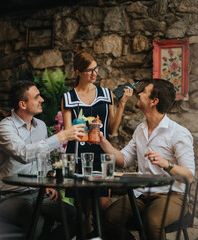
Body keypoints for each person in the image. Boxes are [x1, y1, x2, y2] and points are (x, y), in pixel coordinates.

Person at [99, 79, 195, 240]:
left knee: (152, 222)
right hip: (142, 194)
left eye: (144, 91)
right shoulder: (140, 130)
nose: (139, 93)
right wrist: (102, 141)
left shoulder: (178, 133)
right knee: (108, 218)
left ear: (154, 101)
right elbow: (123, 159)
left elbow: (189, 176)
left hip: (172, 195)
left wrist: (166, 164)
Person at [0, 80, 85, 240]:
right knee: (37, 223)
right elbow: (23, 154)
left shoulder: (40, 126)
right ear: (23, 104)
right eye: (36, 97)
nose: (41, 100)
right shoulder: (5, 128)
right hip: (10, 195)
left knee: (78, 218)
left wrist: (48, 182)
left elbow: (44, 160)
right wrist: (61, 136)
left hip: (38, 193)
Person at [61, 49, 133, 236]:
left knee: (102, 205)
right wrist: (83, 129)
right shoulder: (68, 98)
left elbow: (112, 130)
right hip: (79, 156)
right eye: (89, 70)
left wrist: (123, 103)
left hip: (102, 156)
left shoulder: (106, 94)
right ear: (77, 72)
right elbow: (68, 132)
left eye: (96, 68)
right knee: (84, 211)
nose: (95, 73)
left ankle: (101, 236)